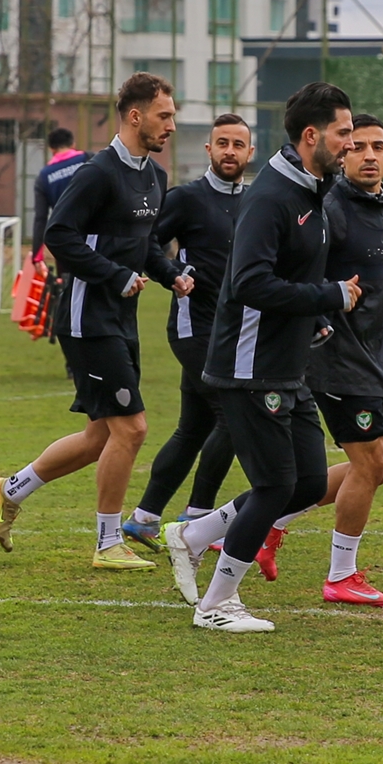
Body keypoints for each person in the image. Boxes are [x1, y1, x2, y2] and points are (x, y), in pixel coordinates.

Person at [162, 82, 362, 632]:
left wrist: (316, 315)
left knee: (306, 480)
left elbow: (294, 275)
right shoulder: (273, 195)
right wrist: (328, 296)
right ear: (311, 136)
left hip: (285, 365)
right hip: (247, 367)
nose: (352, 143)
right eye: (345, 133)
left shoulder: (314, 192)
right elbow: (249, 282)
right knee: (276, 484)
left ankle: (193, 535)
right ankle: (217, 604)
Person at [0, 73, 195, 570]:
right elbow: (60, 236)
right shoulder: (97, 173)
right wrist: (116, 276)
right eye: (165, 116)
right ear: (136, 115)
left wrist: (170, 275)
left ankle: (8, 489)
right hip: (84, 317)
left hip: (120, 318)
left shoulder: (154, 176)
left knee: (102, 434)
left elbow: (142, 245)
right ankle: (106, 544)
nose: (171, 125)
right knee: (133, 429)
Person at [256, 114, 383, 603]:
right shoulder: (332, 207)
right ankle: (340, 576)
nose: (369, 155)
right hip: (334, 355)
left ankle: (270, 523)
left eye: (378, 147)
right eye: (357, 146)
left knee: (377, 467)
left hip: (374, 355)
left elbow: (374, 285)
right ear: (342, 155)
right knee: (369, 461)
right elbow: (308, 274)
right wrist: (317, 318)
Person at [122, 113, 254, 551]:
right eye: (222, 143)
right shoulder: (187, 198)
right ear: (209, 150)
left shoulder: (257, 202)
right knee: (234, 418)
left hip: (236, 333)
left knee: (193, 427)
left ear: (250, 152)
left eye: (238, 144)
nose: (229, 151)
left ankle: (143, 518)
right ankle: (198, 519)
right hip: (193, 328)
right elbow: (146, 243)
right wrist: (173, 272)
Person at [31, 127, 90, 275]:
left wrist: (37, 257)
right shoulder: (89, 159)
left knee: (68, 292)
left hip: (65, 244)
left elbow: (40, 219)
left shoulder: (44, 177)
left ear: (51, 149)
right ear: (73, 144)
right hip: (96, 238)